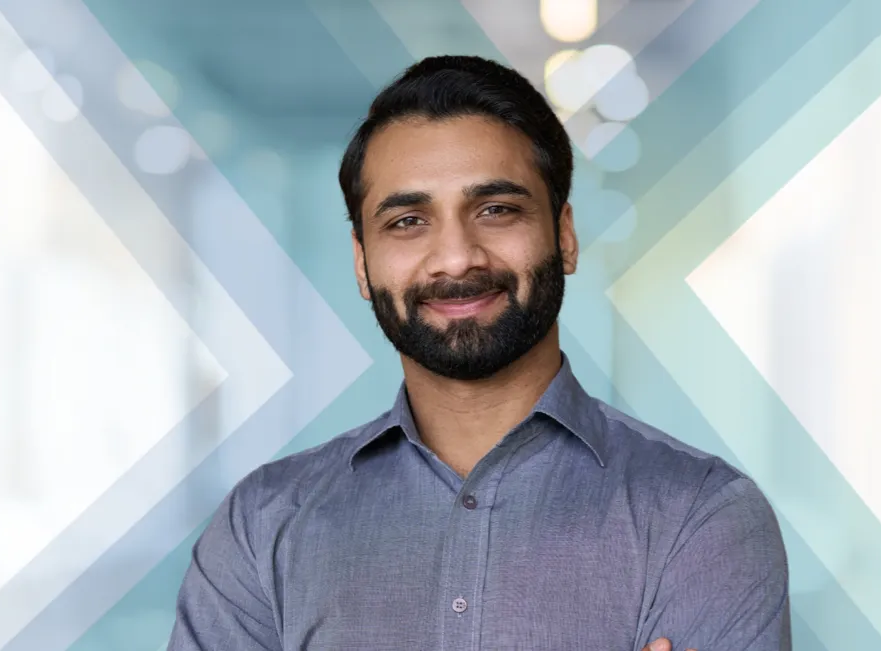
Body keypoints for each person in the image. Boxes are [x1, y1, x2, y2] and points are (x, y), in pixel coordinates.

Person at [166, 55, 791, 651]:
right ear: (362, 263)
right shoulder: (262, 526)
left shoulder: (703, 517)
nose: (458, 256)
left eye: (496, 210)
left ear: (564, 236)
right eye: (408, 220)